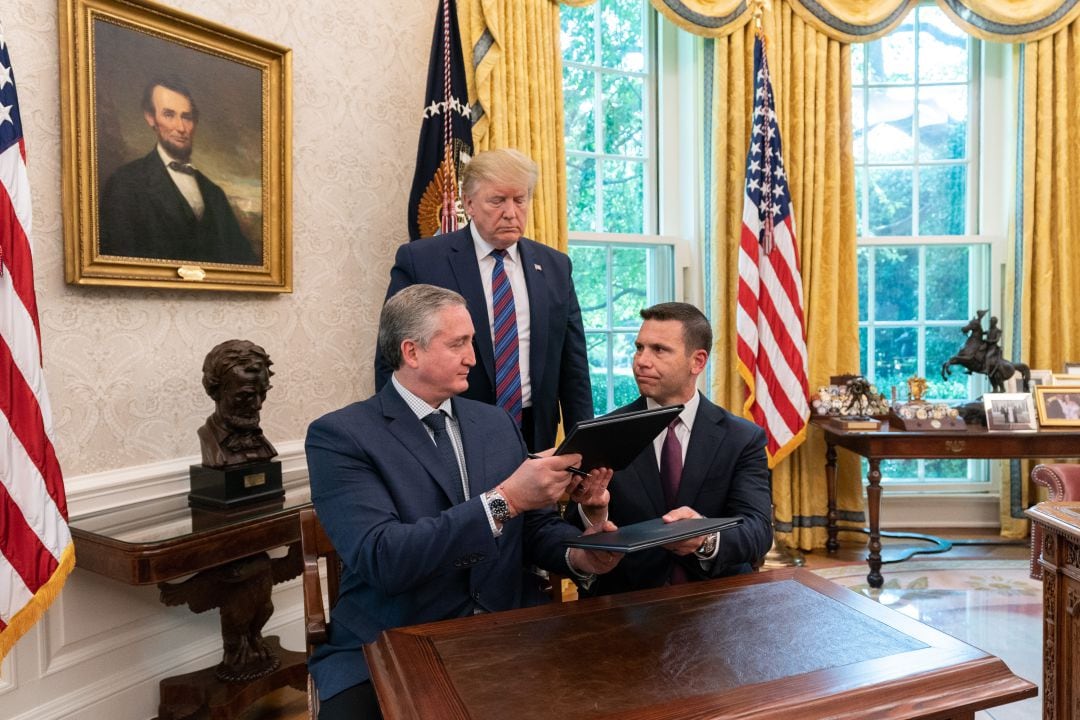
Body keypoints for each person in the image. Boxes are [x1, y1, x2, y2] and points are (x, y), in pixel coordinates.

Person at [307, 284, 620, 719]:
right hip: (394, 636)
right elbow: (384, 557)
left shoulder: (494, 422)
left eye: (472, 342)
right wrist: (505, 500)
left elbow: (534, 531)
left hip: (508, 631)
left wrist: (582, 553)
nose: (474, 357)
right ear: (411, 352)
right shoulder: (342, 436)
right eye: (458, 344)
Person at [374, 148, 592, 452]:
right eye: (497, 200)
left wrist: (583, 445)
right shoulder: (423, 261)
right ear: (469, 203)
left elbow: (574, 365)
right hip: (448, 428)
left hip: (533, 429)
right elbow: (392, 357)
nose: (511, 212)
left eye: (519, 200)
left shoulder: (554, 265)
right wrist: (400, 440)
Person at [567, 302, 773, 595]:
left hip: (716, 598)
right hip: (626, 602)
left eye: (659, 350)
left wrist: (704, 539)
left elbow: (758, 531)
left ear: (698, 362)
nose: (641, 361)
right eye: (639, 348)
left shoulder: (742, 438)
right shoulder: (602, 433)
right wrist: (594, 514)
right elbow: (573, 535)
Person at [98, 77, 259, 265]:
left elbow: (245, 262)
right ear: (151, 119)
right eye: (169, 115)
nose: (181, 128)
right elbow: (117, 263)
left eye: (186, 117)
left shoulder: (215, 194)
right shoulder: (125, 183)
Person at [197, 339, 277, 467]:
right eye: (245, 396)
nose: (258, 405)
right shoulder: (208, 439)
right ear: (215, 391)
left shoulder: (263, 445)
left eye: (262, 393)